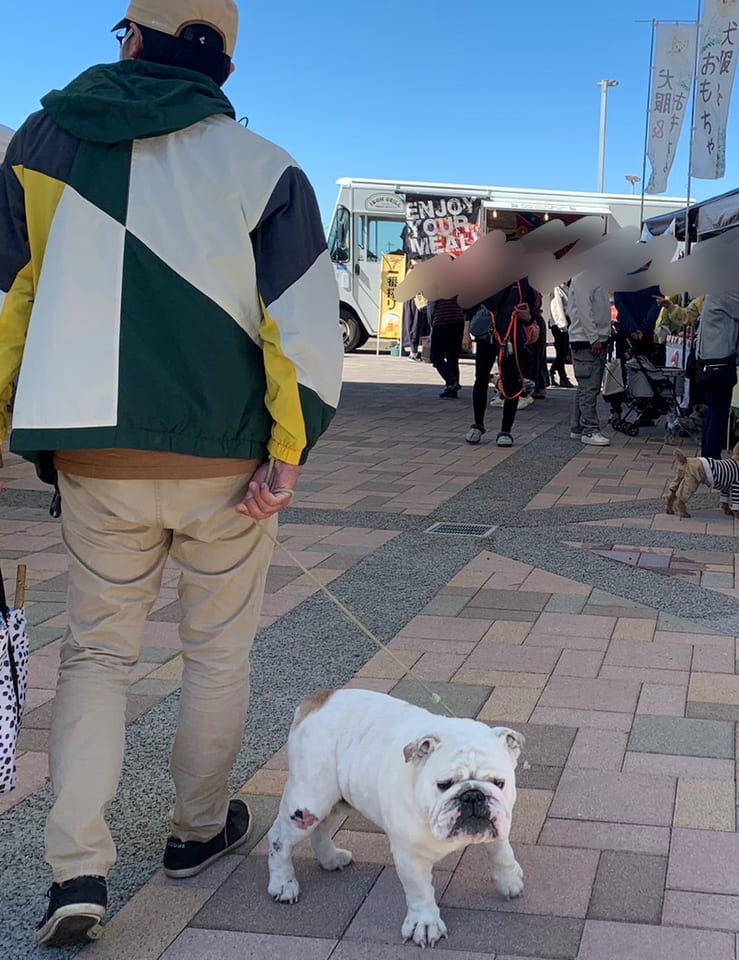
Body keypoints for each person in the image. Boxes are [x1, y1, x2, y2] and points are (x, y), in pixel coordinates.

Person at [0, 2, 343, 946]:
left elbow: (9, 296)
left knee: (100, 655)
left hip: (94, 453)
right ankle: (196, 832)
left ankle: (76, 868)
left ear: (136, 39)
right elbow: (304, 328)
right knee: (218, 654)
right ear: (221, 65)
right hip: (225, 461)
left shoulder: (39, 141)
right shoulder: (265, 167)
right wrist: (288, 449)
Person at [658, 280, 739, 459]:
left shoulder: (712, 290)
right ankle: (712, 462)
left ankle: (707, 461)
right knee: (718, 415)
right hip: (720, 361)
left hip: (706, 361)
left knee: (713, 413)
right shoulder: (727, 288)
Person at [467, 277, 540, 448]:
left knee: (512, 382)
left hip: (512, 338)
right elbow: (470, 306)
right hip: (487, 336)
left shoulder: (524, 282)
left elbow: (532, 313)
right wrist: (466, 332)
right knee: (481, 378)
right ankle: (478, 424)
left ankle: (506, 430)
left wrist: (527, 316)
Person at [567, 276, 613, 447]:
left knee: (586, 387)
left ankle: (578, 427)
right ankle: (590, 430)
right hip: (587, 340)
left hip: (592, 339)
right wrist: (594, 338)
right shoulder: (584, 276)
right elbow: (584, 311)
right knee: (589, 388)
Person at [428, 292, 466, 398]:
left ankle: (452, 381)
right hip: (458, 322)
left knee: (435, 357)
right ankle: (452, 390)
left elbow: (431, 306)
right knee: (452, 357)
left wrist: (432, 324)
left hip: (442, 321)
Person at [547, 282, 574, 388]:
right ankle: (560, 376)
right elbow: (557, 307)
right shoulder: (557, 288)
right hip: (559, 323)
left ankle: (555, 373)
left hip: (566, 322)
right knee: (562, 352)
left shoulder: (567, 288)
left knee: (563, 352)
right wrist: (562, 325)